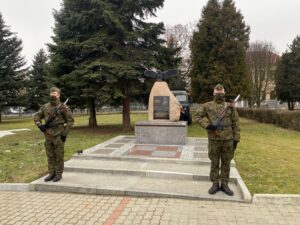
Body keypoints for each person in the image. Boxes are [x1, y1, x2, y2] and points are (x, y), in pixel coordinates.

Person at [195, 84, 240, 196]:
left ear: (224, 94)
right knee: (214, 162)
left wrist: (236, 138)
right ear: (214, 94)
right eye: (217, 94)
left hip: (228, 139)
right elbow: (197, 116)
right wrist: (207, 125)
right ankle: (215, 183)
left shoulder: (230, 106)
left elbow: (236, 122)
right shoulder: (207, 106)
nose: (219, 95)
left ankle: (224, 184)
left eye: (221, 94)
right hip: (214, 139)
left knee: (226, 163)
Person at [34, 87, 74, 182]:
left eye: (55, 94)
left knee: (59, 155)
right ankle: (51, 173)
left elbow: (70, 121)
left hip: (59, 134)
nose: (53, 95)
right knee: (50, 155)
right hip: (48, 134)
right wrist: (40, 125)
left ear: (59, 95)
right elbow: (36, 117)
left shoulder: (64, 108)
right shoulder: (45, 107)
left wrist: (64, 133)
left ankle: (58, 174)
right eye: (51, 94)